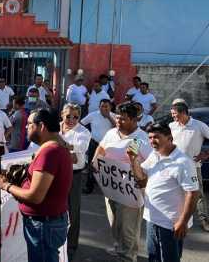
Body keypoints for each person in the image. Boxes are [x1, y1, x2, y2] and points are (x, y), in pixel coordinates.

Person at [0, 109, 72, 262]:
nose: (25, 127)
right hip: (47, 222)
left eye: (29, 124)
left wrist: (6, 185)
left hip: (44, 224)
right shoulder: (55, 147)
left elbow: (35, 196)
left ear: (41, 126)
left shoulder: (50, 152)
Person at [127, 123, 200, 262]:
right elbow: (142, 179)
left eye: (156, 137)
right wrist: (133, 159)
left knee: (169, 259)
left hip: (170, 224)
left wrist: (183, 222)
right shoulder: (155, 155)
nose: (152, 141)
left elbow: (193, 193)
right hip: (152, 219)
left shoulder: (184, 162)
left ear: (169, 138)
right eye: (150, 137)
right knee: (154, 257)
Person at [93, 102, 153, 262]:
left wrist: (143, 179)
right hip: (111, 187)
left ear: (135, 120)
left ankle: (128, 256)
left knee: (128, 228)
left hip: (130, 191)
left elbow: (152, 164)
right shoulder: (112, 132)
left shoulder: (142, 139)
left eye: (123, 119)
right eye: (117, 118)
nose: (118, 122)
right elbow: (101, 147)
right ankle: (119, 247)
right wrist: (95, 161)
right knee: (115, 223)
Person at [169, 102, 209, 231]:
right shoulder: (172, 126)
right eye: (172, 115)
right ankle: (177, 219)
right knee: (174, 192)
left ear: (184, 113)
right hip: (173, 166)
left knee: (197, 195)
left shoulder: (199, 125)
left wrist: (206, 154)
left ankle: (205, 221)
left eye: (175, 114)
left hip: (193, 166)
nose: (173, 117)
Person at [59, 104, 91, 259]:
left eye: (76, 117)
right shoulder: (55, 128)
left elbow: (80, 148)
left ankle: (71, 246)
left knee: (72, 210)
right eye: (68, 116)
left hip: (74, 175)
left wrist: (58, 145)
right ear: (62, 115)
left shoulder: (83, 132)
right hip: (54, 174)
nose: (71, 120)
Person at [80, 99, 116, 194]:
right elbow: (81, 123)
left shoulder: (114, 116)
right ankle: (89, 186)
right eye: (101, 106)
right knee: (92, 165)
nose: (103, 108)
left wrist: (108, 117)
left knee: (105, 167)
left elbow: (118, 127)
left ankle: (105, 187)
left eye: (106, 106)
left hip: (108, 146)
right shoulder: (93, 115)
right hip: (94, 143)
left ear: (110, 107)